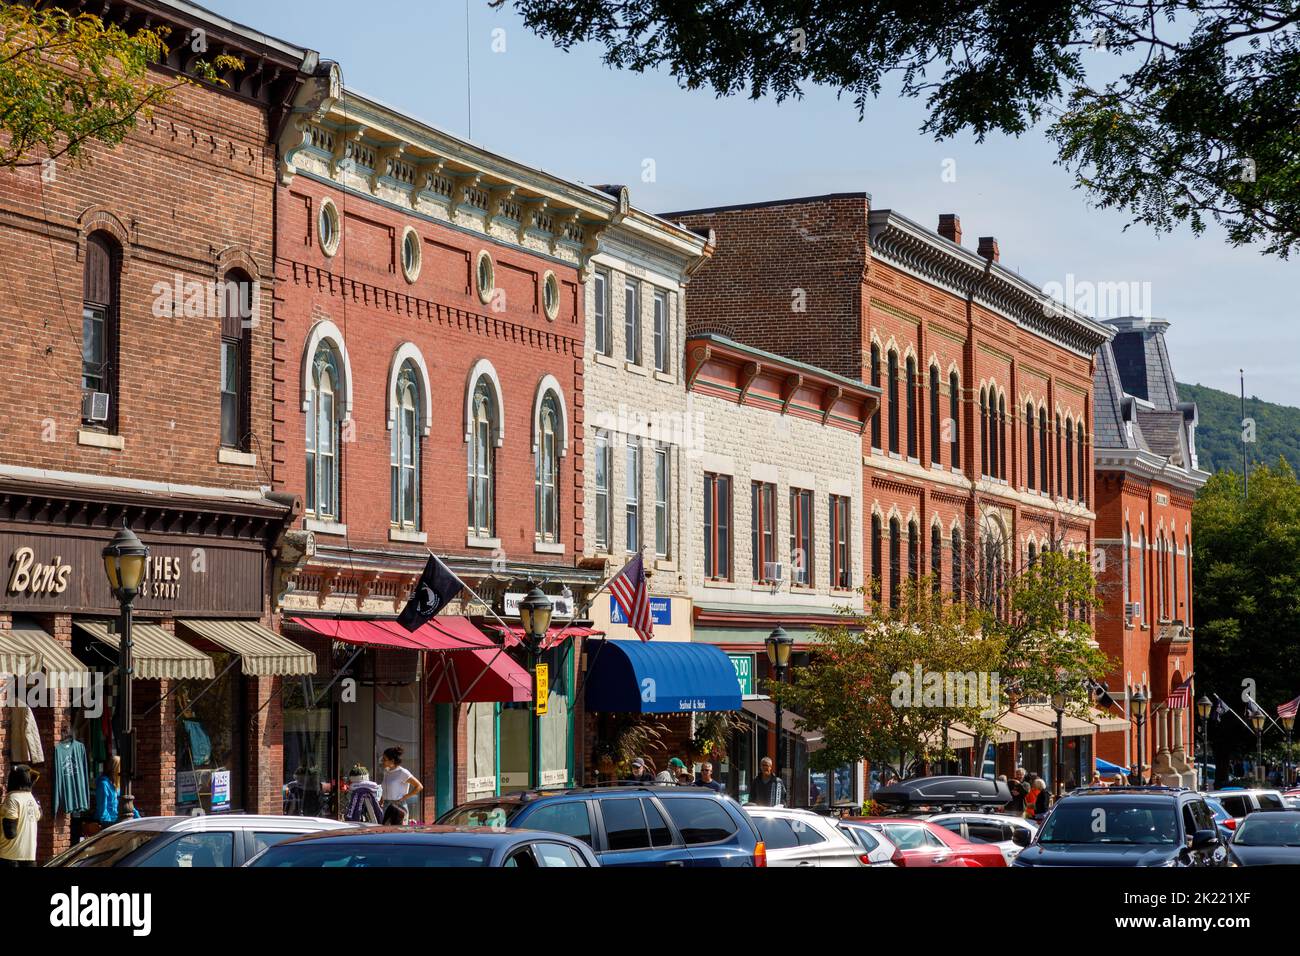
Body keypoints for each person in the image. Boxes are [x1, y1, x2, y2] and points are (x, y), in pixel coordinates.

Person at [0, 765, 41, 866]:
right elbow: (38, 816)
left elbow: (10, 832)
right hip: (29, 856)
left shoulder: (13, 798)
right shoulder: (32, 799)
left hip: (10, 856)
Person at [92, 755, 140, 831]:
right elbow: (102, 809)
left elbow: (129, 804)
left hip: (119, 821)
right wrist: (110, 825)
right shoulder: (103, 784)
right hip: (109, 824)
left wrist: (138, 818)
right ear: (117, 769)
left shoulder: (118, 785)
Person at [379, 747, 422, 825]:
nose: (382, 761)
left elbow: (419, 786)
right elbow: (385, 788)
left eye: (384, 759)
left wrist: (405, 797)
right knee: (386, 833)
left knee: (398, 833)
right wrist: (382, 800)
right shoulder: (386, 772)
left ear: (392, 760)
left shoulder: (402, 772)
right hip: (386, 806)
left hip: (398, 807)